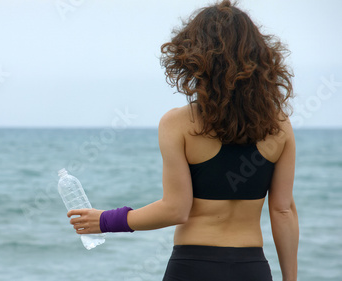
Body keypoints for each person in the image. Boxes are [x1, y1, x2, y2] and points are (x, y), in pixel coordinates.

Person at [66, 1, 299, 280]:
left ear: (194, 57)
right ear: (259, 58)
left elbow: (176, 210)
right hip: (251, 267)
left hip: (193, 266)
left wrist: (105, 220)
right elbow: (283, 211)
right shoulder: (280, 126)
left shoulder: (177, 124)